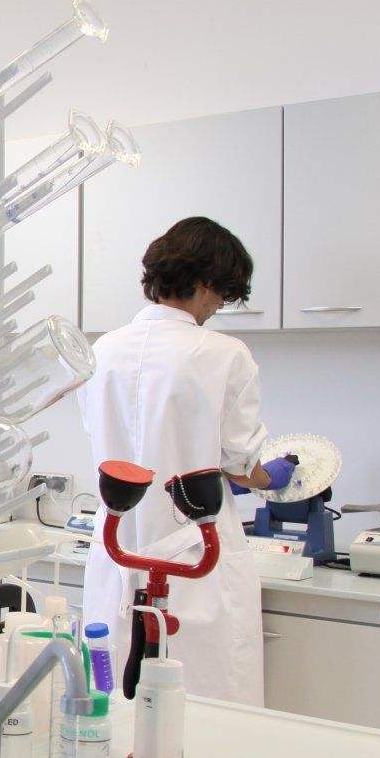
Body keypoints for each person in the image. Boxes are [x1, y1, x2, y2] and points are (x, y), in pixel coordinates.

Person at [79, 217, 296, 706]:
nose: (219, 307)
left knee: (112, 703)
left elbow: (116, 446)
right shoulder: (224, 355)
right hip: (196, 552)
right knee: (204, 709)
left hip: (118, 547)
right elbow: (241, 465)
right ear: (204, 281)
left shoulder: (102, 350)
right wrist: (273, 477)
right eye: (222, 294)